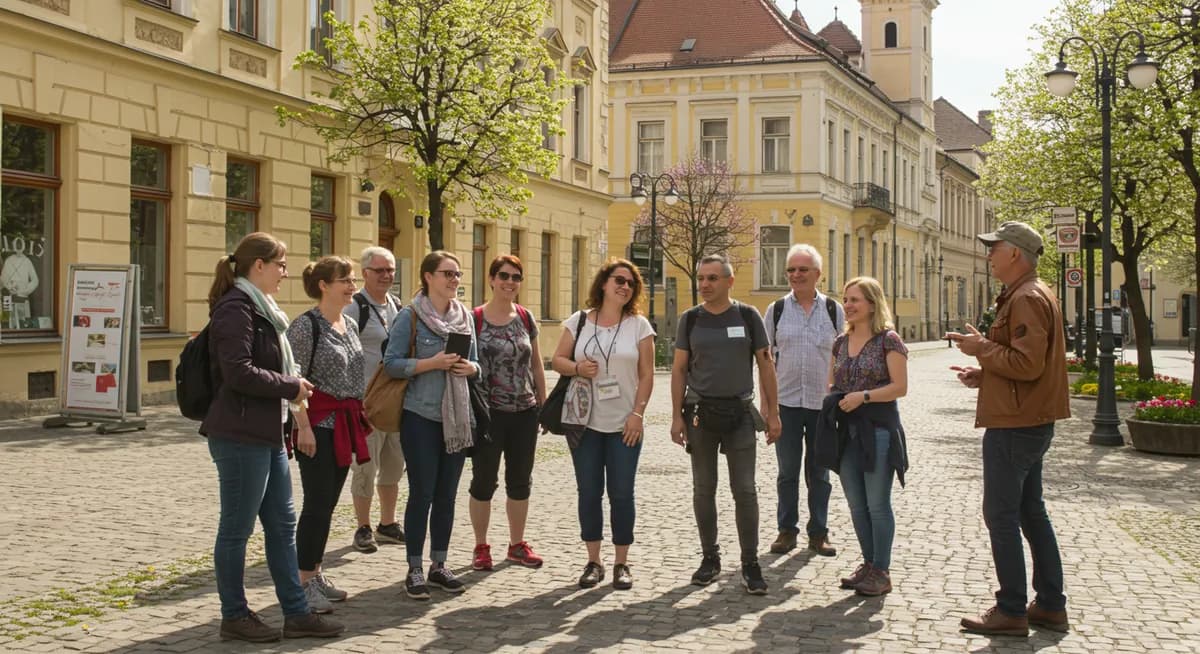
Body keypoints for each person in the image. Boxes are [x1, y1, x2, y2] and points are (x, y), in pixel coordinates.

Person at [199, 232, 343, 642]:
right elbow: (238, 372)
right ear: (257, 266)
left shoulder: (265, 310)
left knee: (282, 525)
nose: (285, 272)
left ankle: (296, 613)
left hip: (268, 433)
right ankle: (235, 616)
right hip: (240, 434)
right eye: (280, 264)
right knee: (236, 529)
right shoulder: (235, 309)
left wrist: (293, 405)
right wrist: (290, 385)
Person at [950, 222, 1070, 636]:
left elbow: (1028, 365)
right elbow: (1025, 365)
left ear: (1015, 253)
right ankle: (1050, 605)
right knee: (1029, 511)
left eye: (994, 248)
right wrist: (984, 374)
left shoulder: (1026, 297)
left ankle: (1012, 609)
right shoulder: (1033, 293)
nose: (988, 254)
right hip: (1029, 419)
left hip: (1016, 426)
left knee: (1001, 514)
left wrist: (981, 348)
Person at [670, 254, 781, 595]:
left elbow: (765, 366)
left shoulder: (747, 317)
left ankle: (750, 563)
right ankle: (710, 558)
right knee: (704, 489)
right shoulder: (690, 320)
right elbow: (678, 370)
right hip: (701, 415)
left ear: (730, 281)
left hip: (740, 416)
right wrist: (676, 416)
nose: (704, 284)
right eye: (702, 278)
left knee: (745, 490)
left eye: (713, 278)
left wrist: (773, 413)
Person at [551, 258, 654, 591]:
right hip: (585, 423)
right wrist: (578, 368)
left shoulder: (639, 325)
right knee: (589, 492)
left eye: (631, 283)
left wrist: (637, 414)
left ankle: (621, 563)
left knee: (622, 493)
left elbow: (647, 374)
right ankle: (593, 561)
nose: (625, 287)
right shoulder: (579, 321)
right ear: (604, 283)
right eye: (619, 280)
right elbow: (558, 360)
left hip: (625, 422)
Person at [383, 251, 480, 600]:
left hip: (456, 419)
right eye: (447, 274)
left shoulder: (464, 316)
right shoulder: (409, 317)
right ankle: (414, 568)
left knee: (446, 495)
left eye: (457, 274)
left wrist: (471, 369)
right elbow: (391, 364)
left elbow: (477, 363)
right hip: (420, 415)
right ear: (427, 277)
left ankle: (439, 564)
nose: (454, 280)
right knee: (422, 493)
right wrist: (431, 363)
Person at [286, 256, 370, 614]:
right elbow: (293, 380)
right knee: (317, 505)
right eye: (344, 280)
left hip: (344, 425)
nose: (352, 286)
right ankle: (302, 583)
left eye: (352, 280)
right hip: (316, 426)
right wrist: (302, 426)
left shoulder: (348, 324)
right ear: (323, 285)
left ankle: (314, 573)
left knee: (329, 505)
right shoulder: (306, 327)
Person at [818, 276, 908, 598]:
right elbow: (832, 381)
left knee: (877, 504)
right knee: (857, 504)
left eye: (855, 299)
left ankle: (881, 570)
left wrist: (863, 397)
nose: (849, 305)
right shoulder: (840, 342)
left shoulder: (889, 341)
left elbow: (900, 387)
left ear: (872, 303)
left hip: (879, 432)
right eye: (846, 299)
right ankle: (868, 565)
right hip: (847, 433)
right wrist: (835, 397)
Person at [469, 255, 548, 571]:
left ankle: (517, 545)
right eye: (503, 276)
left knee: (520, 481)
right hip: (488, 413)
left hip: (524, 411)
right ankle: (480, 546)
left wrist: (543, 405)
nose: (510, 282)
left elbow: (537, 365)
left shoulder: (526, 318)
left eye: (516, 277)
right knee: (483, 482)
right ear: (491, 279)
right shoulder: (474, 318)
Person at [765, 244, 844, 557]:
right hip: (786, 403)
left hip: (822, 404)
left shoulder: (834, 311)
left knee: (819, 471)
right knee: (787, 472)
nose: (796, 275)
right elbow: (766, 359)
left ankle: (819, 532)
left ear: (818, 275)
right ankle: (787, 530)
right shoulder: (777, 310)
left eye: (803, 270)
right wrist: (768, 406)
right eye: (791, 270)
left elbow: (844, 357)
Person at [345, 246, 406, 554]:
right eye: (379, 270)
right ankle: (363, 527)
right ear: (365, 273)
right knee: (365, 466)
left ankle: (387, 523)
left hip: (393, 400)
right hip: (365, 401)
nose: (386, 276)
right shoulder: (355, 307)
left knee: (394, 464)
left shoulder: (396, 305)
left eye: (390, 270)